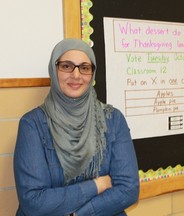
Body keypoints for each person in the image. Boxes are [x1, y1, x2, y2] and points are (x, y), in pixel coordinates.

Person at [13, 38, 139, 215]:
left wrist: (78, 214)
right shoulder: (32, 124)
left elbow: (128, 189)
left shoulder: (113, 119)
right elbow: (34, 202)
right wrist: (97, 185)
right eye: (67, 66)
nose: (76, 75)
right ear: (54, 69)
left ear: (92, 74)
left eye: (85, 68)